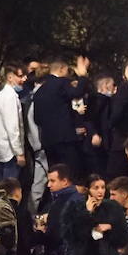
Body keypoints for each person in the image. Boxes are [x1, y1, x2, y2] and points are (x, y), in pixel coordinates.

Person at [31, 56, 91, 185]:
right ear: (62, 69)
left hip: (48, 140)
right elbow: (77, 92)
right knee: (71, 174)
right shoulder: (61, 83)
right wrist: (83, 76)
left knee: (55, 175)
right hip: (66, 139)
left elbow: (37, 118)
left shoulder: (39, 91)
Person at [0, 64, 26, 182]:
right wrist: (19, 152)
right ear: (10, 77)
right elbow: (13, 127)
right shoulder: (10, 97)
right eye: (20, 76)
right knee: (10, 191)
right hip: (10, 153)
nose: (24, 79)